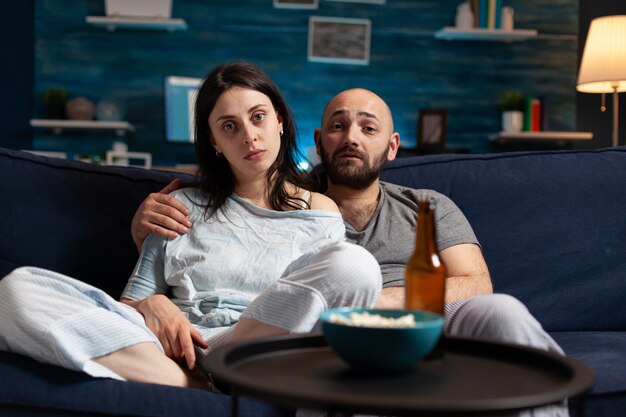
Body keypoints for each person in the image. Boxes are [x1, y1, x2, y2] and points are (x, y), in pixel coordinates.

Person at [133, 87, 568, 416]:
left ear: (393, 145)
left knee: (503, 311)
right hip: (323, 335)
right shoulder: (290, 201)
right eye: (338, 127)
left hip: (428, 316)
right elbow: (231, 238)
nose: (352, 137)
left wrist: (365, 305)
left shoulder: (428, 206)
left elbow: (475, 285)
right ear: (319, 141)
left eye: (369, 127)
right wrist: (144, 228)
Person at [0, 62, 382, 390]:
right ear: (214, 142)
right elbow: (132, 303)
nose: (248, 135)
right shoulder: (180, 206)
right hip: (171, 347)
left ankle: (221, 375)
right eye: (228, 126)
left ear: (280, 120)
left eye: (258, 116)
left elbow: (321, 304)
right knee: (14, 290)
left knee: (356, 265)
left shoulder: (321, 211)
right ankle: (189, 385)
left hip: (257, 343)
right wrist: (154, 303)